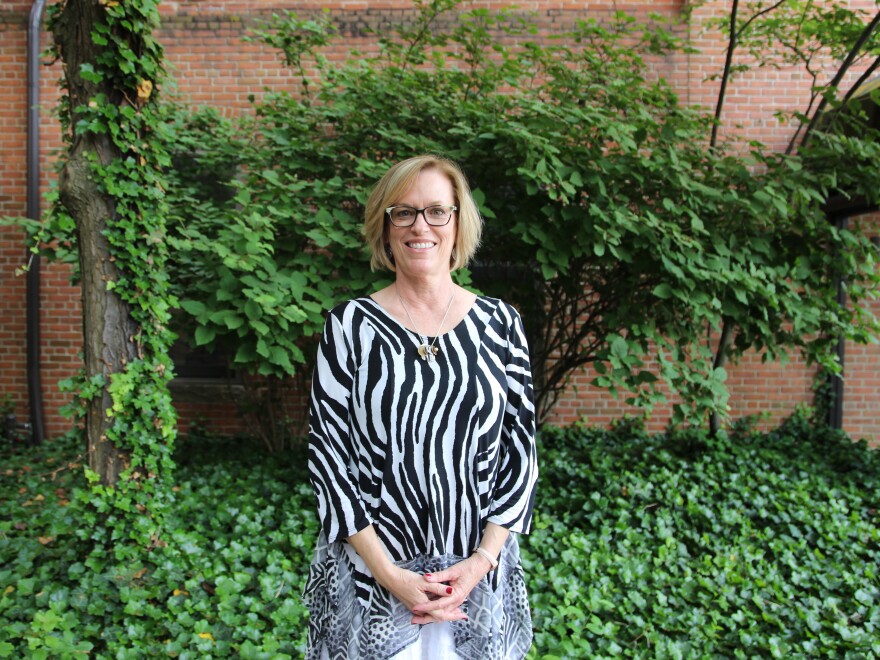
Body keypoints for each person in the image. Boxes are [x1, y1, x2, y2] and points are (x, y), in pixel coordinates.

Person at [304, 154, 539, 659]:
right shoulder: (349, 327)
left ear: (458, 223)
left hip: (476, 582)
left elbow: (520, 455)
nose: (420, 226)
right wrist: (392, 576)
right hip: (372, 581)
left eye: (437, 211)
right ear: (385, 228)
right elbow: (328, 461)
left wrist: (478, 563)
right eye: (403, 212)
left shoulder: (501, 326)